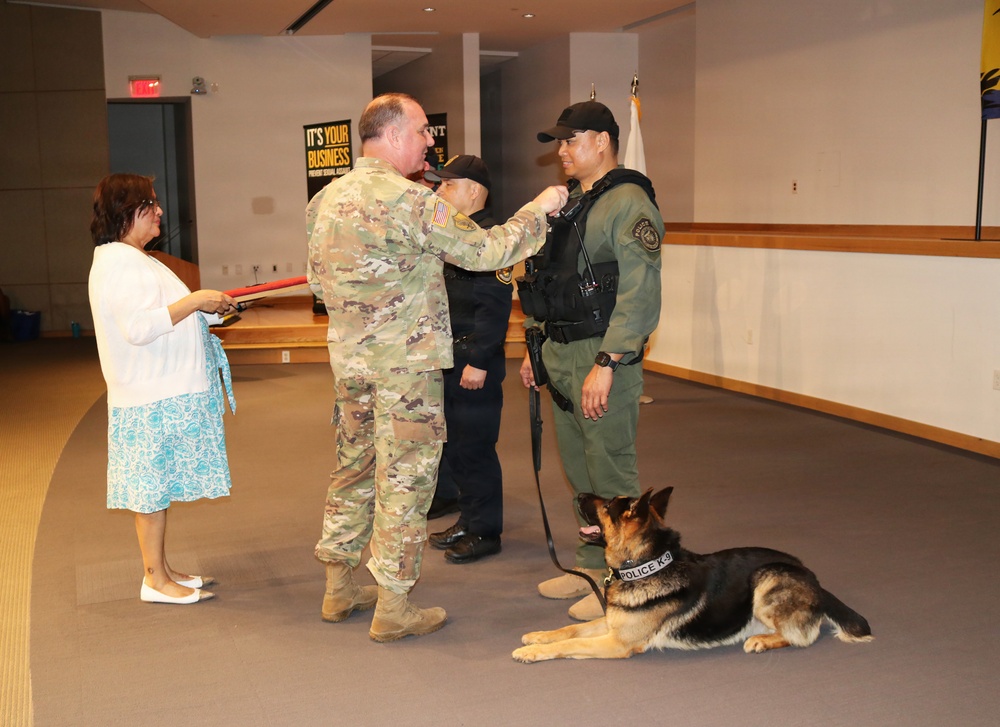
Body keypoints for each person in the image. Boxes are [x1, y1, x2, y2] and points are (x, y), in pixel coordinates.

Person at [307, 93, 568, 642]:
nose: (430, 140)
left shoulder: (327, 200)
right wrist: (537, 211)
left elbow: (316, 283)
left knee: (352, 469)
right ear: (395, 134)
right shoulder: (411, 201)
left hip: (351, 364)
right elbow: (487, 251)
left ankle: (338, 586)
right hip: (405, 368)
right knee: (405, 480)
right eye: (424, 130)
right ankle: (393, 606)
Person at [518, 101, 664, 622]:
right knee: (580, 469)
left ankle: (624, 581)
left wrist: (609, 360)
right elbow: (546, 280)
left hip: (602, 351)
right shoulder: (570, 202)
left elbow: (640, 292)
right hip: (558, 350)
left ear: (602, 141)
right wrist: (535, 346)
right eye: (559, 142)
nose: (561, 151)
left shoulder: (627, 202)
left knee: (610, 469)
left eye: (571, 140)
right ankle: (588, 566)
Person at [88, 173, 239, 605]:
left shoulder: (139, 259)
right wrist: (196, 300)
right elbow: (137, 328)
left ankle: (163, 569)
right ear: (125, 212)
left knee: (160, 485)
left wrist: (212, 310)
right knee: (150, 489)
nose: (159, 211)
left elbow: (164, 315)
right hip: (148, 395)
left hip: (162, 392)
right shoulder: (118, 262)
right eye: (149, 204)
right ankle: (154, 579)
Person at [422, 155, 510, 564]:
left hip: (475, 360)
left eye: (447, 186)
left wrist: (478, 361)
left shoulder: (490, 237)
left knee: (476, 449)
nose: (439, 192)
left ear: (473, 191)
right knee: (456, 447)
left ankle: (485, 532)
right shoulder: (457, 234)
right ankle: (468, 519)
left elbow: (495, 307)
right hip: (451, 357)